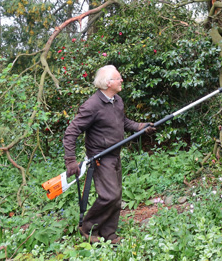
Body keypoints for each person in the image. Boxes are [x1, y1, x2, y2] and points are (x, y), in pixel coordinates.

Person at [63, 65, 155, 244]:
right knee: (109, 196)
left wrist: (140, 127)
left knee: (117, 195)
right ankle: (88, 228)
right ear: (107, 83)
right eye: (118, 78)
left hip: (115, 154)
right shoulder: (92, 105)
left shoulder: (117, 100)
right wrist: (70, 160)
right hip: (100, 157)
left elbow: (123, 121)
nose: (122, 80)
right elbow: (71, 132)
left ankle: (109, 233)